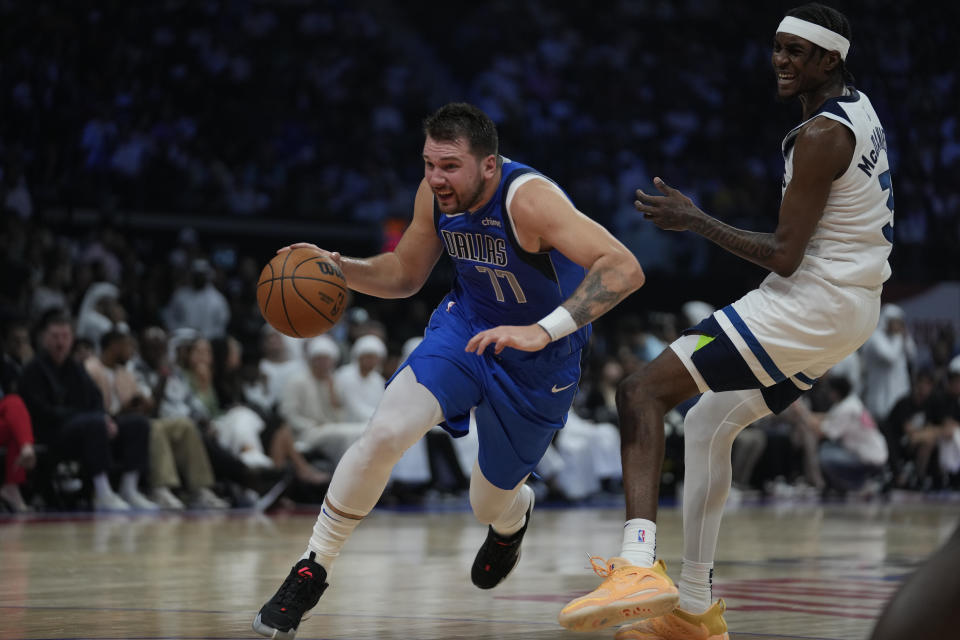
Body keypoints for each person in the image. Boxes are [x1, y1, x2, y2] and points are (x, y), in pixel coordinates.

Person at [559, 4, 894, 638]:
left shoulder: (822, 134)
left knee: (639, 392)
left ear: (831, 59)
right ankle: (692, 608)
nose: (781, 60)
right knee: (709, 420)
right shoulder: (861, 108)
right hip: (852, 307)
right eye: (778, 47)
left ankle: (636, 564)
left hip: (812, 300)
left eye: (798, 50)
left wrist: (694, 219)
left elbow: (783, 255)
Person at [252, 101, 645, 639]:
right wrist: (342, 269)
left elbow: (624, 267)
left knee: (487, 502)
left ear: (488, 165)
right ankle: (313, 565)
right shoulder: (433, 196)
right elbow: (405, 274)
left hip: (542, 357)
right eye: (429, 163)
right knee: (386, 431)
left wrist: (542, 330)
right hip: (467, 329)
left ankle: (512, 517)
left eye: (450, 165)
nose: (436, 177)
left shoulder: (529, 199)